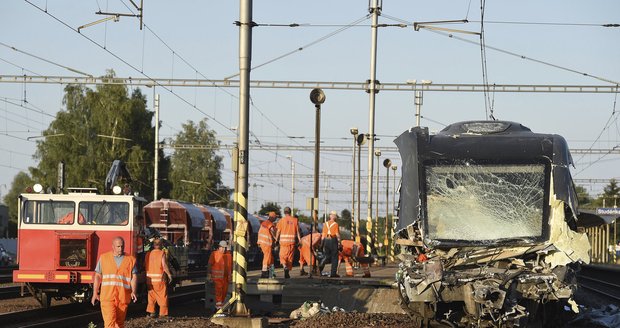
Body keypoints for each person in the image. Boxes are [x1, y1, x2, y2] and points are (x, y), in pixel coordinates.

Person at [91, 236, 138, 328]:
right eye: (118, 246)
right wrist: (95, 293)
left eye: (122, 246)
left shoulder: (131, 260)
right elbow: (97, 275)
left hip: (122, 297)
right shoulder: (104, 258)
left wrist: (134, 291)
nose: (120, 248)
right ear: (113, 246)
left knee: (119, 324)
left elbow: (134, 277)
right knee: (110, 323)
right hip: (107, 297)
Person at [145, 237, 173, 320]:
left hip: (149, 280)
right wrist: (169, 275)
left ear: (153, 245)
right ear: (161, 245)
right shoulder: (161, 253)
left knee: (151, 296)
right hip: (159, 280)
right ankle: (163, 314)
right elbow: (164, 265)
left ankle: (151, 312)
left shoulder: (148, 254)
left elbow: (145, 265)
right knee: (162, 296)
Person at [276, 207, 301, 279]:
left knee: (282, 256)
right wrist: (300, 240)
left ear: (284, 212)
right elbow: (298, 232)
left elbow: (278, 231)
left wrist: (276, 240)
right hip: (292, 243)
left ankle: (285, 267)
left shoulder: (281, 220)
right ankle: (287, 272)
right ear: (290, 212)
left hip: (283, 243)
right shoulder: (295, 220)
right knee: (290, 258)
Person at [208, 240, 231, 310]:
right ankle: (218, 308)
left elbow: (231, 266)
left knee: (224, 292)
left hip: (225, 278)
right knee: (219, 292)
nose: (223, 249)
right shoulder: (214, 254)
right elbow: (209, 264)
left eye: (225, 248)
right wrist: (209, 274)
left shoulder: (229, 255)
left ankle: (219, 307)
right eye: (222, 247)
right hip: (217, 278)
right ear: (219, 247)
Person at [258, 211, 278, 278]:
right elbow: (272, 232)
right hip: (267, 243)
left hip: (262, 242)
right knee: (267, 257)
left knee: (270, 258)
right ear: (272, 217)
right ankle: (264, 272)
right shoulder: (270, 224)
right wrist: (276, 239)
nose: (275, 219)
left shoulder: (263, 223)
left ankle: (272, 272)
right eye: (275, 217)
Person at [321, 210, 341, 278]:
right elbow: (337, 234)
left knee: (326, 256)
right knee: (334, 257)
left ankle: (320, 268)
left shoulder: (325, 224)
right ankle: (333, 273)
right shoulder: (336, 224)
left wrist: (322, 243)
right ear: (335, 216)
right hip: (333, 240)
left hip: (326, 240)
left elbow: (323, 234)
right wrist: (339, 243)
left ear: (330, 216)